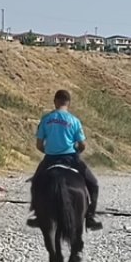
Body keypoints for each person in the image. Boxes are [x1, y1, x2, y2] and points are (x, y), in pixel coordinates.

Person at [27, 89, 102, 230]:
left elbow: (39, 144)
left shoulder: (46, 119)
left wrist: (48, 151)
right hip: (70, 157)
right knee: (94, 184)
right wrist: (77, 152)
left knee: (36, 183)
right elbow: (82, 144)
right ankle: (90, 217)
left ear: (55, 101)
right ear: (68, 103)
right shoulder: (74, 121)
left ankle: (38, 214)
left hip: (50, 158)